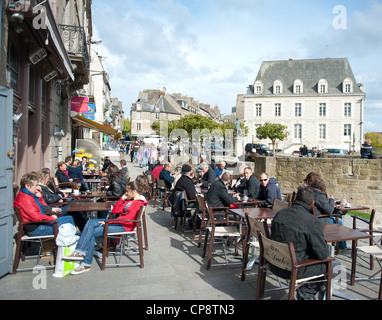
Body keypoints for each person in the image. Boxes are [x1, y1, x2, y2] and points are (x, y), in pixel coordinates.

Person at [63, 175, 149, 275]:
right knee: (90, 223)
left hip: (124, 226)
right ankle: (81, 252)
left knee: (90, 232)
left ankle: (85, 260)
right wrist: (122, 199)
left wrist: (108, 222)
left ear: (134, 191)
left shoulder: (138, 203)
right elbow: (116, 210)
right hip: (119, 223)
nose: (126, 193)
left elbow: (128, 219)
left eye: (127, 191)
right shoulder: (130, 200)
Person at [270, 186, 340, 300]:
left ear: (296, 198)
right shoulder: (311, 221)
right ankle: (305, 293)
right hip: (293, 269)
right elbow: (322, 254)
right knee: (335, 264)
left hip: (274, 263)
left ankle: (313, 292)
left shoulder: (280, 214)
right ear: (312, 203)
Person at [13, 172, 75, 237]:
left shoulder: (26, 195)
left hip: (38, 224)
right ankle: (72, 243)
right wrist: (51, 218)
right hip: (36, 228)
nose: (37, 188)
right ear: (27, 186)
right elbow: (36, 216)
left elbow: (38, 207)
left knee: (69, 218)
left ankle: (72, 241)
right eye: (36, 185)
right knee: (68, 226)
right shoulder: (25, 198)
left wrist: (39, 198)